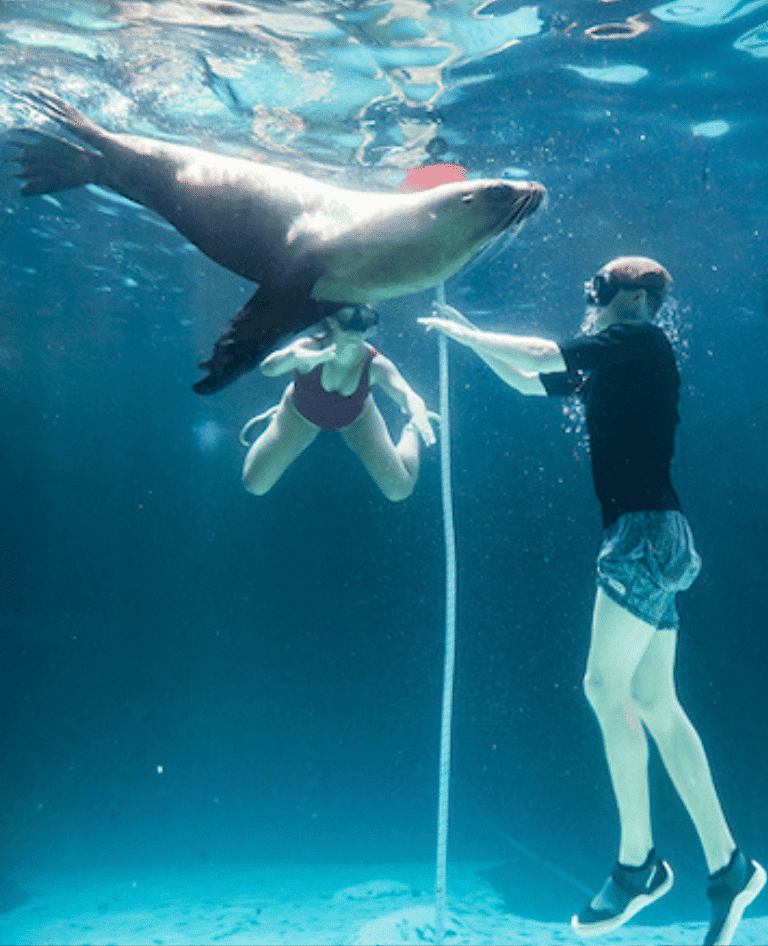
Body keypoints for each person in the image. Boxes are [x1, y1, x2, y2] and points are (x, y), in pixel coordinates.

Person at [419, 256, 765, 946]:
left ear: (631, 298)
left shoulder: (636, 340)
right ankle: (729, 868)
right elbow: (531, 380)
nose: (593, 298)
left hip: (641, 535)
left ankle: (639, 863)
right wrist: (472, 337)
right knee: (656, 704)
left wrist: (469, 337)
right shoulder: (621, 358)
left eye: (600, 289)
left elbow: (543, 352)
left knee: (604, 689)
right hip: (656, 534)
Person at [240, 304, 436, 500]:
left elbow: (409, 395)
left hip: (357, 419)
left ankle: (410, 429)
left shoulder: (375, 364)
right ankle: (276, 418)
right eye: (348, 321)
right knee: (254, 484)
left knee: (399, 490)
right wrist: (293, 357)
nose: (355, 331)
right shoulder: (310, 347)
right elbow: (268, 368)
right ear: (332, 321)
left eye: (364, 322)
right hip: (299, 414)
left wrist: (417, 414)